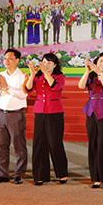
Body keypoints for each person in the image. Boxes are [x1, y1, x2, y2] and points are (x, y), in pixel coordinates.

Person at [25, 53, 68, 185]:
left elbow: (55, 87)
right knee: (39, 143)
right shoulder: (38, 77)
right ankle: (40, 175)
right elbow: (28, 89)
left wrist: (46, 73)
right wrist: (32, 74)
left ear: (55, 65)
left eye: (50, 63)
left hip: (55, 111)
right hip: (40, 111)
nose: (46, 65)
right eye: (44, 62)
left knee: (55, 143)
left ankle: (62, 173)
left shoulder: (60, 77)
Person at [79, 52, 103, 188]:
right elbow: (81, 86)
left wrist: (100, 74)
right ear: (96, 62)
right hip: (91, 111)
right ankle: (96, 177)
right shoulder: (91, 76)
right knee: (93, 145)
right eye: (101, 61)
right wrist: (87, 71)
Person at [0, 48, 29, 184]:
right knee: (1, 145)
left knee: (18, 144)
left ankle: (19, 173)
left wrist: (7, 87)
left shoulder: (23, 76)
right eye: (5, 58)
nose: (7, 61)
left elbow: (22, 94)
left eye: (10, 58)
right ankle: (3, 174)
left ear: (17, 60)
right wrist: (1, 88)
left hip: (16, 113)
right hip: (0, 113)